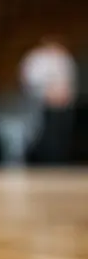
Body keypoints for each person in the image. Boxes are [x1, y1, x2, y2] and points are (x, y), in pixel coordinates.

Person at [20, 36, 79, 164]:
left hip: (63, 107)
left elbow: (70, 83)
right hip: (42, 106)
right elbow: (30, 82)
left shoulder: (64, 58)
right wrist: (46, 93)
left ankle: (61, 161)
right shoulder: (36, 59)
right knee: (45, 139)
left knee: (62, 139)